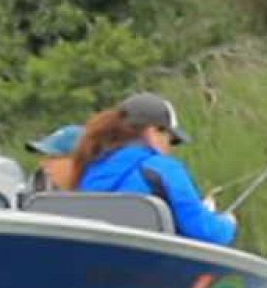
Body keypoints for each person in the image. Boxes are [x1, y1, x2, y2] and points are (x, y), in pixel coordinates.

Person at [71, 92, 236, 245]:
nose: (171, 148)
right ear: (153, 132)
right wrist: (228, 223)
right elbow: (207, 232)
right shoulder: (163, 169)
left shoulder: (92, 169)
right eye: (171, 140)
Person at [25, 124, 82, 191]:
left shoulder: (95, 193)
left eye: (52, 157)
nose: (43, 164)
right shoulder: (40, 182)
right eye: (43, 157)